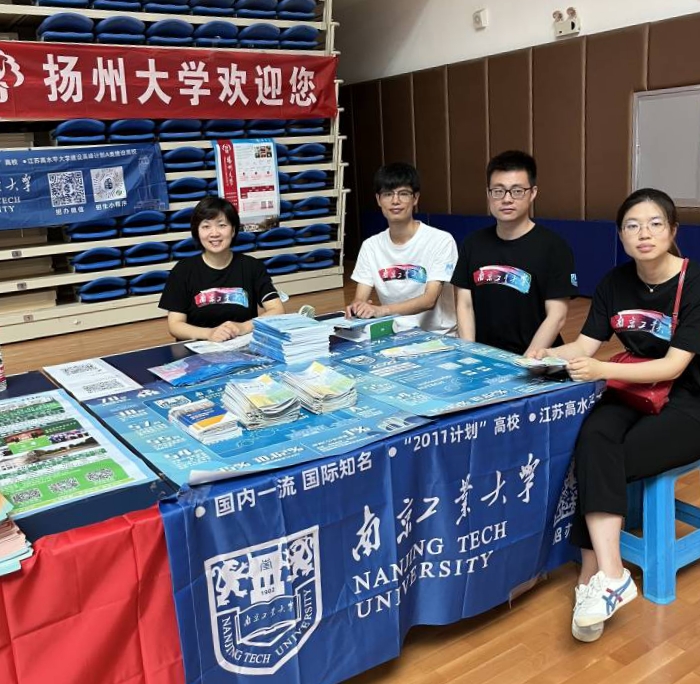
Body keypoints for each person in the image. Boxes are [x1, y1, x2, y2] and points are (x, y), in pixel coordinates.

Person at [530, 188, 700, 643]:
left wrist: (601, 370)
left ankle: (592, 576)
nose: (644, 233)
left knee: (606, 459)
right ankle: (610, 573)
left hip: (691, 401)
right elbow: (584, 346)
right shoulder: (614, 283)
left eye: (655, 224)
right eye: (632, 225)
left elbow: (673, 366)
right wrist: (544, 355)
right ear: (621, 235)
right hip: (635, 390)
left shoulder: (695, 282)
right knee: (592, 437)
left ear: (672, 231)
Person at [451, 150, 578, 355]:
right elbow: (464, 304)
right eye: (498, 191)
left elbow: (557, 316)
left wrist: (526, 363)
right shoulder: (472, 244)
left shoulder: (554, 247)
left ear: (533, 193)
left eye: (517, 191)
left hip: (534, 358)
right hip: (484, 357)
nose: (507, 199)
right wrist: (470, 353)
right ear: (488, 194)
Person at [346, 162, 458, 335]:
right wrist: (357, 307)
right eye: (388, 194)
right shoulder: (370, 246)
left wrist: (382, 310)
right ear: (378, 200)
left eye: (403, 194)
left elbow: (429, 300)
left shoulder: (441, 241)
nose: (395, 201)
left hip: (438, 335)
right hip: (393, 333)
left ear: (415, 198)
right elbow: (360, 297)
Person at [159, 196, 285, 341]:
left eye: (222, 225)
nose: (214, 233)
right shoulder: (182, 271)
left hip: (243, 346)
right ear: (197, 232)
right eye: (206, 226)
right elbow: (175, 325)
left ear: (233, 230)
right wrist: (209, 334)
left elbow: (277, 310)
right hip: (199, 348)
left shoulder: (252, 267)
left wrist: (243, 327)